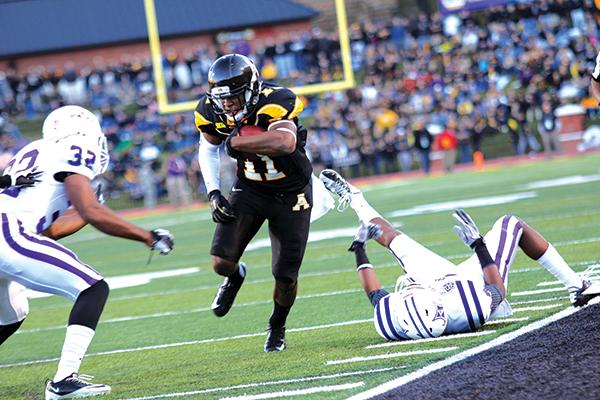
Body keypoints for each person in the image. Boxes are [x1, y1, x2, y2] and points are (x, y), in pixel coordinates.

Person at [0, 106, 175, 399]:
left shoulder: (35, 150)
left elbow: (48, 232)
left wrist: (87, 211)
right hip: (8, 233)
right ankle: (64, 381)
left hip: (10, 234)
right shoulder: (75, 146)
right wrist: (146, 236)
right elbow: (91, 211)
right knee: (92, 288)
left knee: (11, 314)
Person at [319, 169, 600, 340]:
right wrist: (478, 245)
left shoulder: (395, 320)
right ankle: (577, 286)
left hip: (436, 285)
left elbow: (374, 294)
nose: (408, 289)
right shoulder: (465, 309)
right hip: (475, 283)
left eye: (409, 293)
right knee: (511, 224)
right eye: (412, 292)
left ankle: (355, 198)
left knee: (390, 237)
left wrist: (358, 248)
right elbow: (497, 288)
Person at [195, 54, 323, 352]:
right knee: (220, 261)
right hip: (251, 189)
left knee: (285, 275)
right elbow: (207, 149)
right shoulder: (210, 111)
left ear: (251, 88)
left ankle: (277, 326)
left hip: (292, 193)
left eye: (233, 96)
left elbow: (284, 143)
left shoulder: (276, 100)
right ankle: (235, 276)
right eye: (221, 97)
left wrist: (237, 143)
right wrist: (214, 191)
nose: (226, 104)